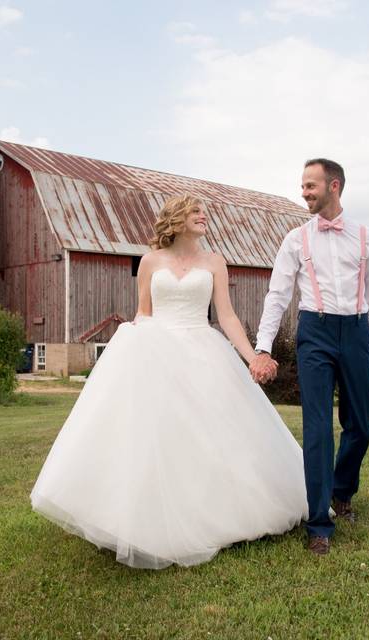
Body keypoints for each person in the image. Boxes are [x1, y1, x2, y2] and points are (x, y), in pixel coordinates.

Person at [30, 194, 307, 569]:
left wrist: (252, 355)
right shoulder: (150, 261)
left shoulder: (214, 263)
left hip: (202, 348)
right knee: (155, 435)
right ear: (176, 219)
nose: (202, 216)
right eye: (195, 211)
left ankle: (220, 513)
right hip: (156, 350)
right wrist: (133, 336)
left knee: (213, 435)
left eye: (203, 212)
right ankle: (147, 518)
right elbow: (144, 312)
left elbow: (225, 316)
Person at [251, 158, 369, 556]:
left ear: (334, 186)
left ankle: (342, 491)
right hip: (316, 331)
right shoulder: (296, 239)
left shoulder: (368, 237)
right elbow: (277, 297)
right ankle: (319, 523)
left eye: (311, 185)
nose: (304, 192)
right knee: (317, 428)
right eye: (302, 186)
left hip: (357, 331)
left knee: (361, 422)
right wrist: (263, 346)